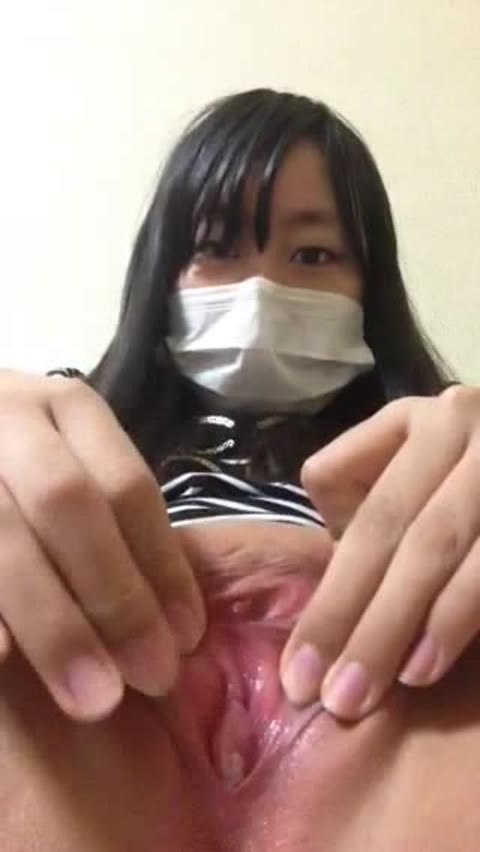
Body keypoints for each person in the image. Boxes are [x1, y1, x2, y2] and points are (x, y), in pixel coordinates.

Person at [1, 87, 480, 740]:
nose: (260, 292)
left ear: (371, 285)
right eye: (216, 248)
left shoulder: (447, 451)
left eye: (313, 255)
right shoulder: (61, 431)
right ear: (162, 273)